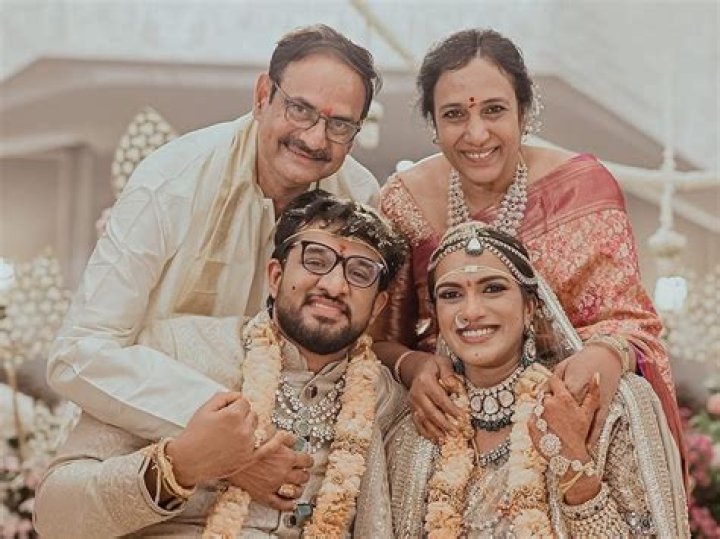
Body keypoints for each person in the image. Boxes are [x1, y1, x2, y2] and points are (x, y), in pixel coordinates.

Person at [47, 25, 381, 485]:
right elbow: (78, 352)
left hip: (288, 466)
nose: (315, 138)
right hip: (150, 450)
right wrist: (237, 441)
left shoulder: (358, 197)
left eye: (339, 124)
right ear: (263, 96)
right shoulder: (172, 181)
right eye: (300, 109)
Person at [371, 28, 684, 468]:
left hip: (563, 426)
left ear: (523, 112)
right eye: (454, 114)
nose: (477, 134)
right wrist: (411, 365)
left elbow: (633, 324)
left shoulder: (583, 188)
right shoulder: (405, 201)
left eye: (494, 110)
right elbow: (376, 340)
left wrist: (606, 353)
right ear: (434, 125)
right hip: (444, 433)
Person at [34, 191, 406, 538]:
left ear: (377, 306)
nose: (335, 285)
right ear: (275, 277)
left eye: (360, 273)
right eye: (316, 260)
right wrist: (178, 467)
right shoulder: (179, 348)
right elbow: (53, 513)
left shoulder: (386, 402)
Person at [387, 222, 688, 537]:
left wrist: (575, 471)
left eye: (493, 288)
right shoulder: (420, 428)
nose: (471, 311)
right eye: (451, 295)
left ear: (529, 306)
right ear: (437, 314)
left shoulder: (603, 406)